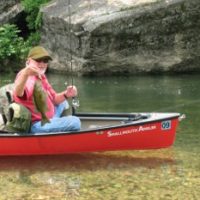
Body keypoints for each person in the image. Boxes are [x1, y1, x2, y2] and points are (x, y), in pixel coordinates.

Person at [13, 46, 81, 133]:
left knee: (63, 102)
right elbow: (19, 93)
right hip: (37, 124)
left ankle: (55, 124)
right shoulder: (28, 77)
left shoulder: (41, 76)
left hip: (47, 116)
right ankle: (56, 128)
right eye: (38, 60)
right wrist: (26, 73)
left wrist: (66, 94)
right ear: (29, 61)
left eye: (45, 61)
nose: (42, 64)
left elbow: (54, 99)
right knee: (75, 122)